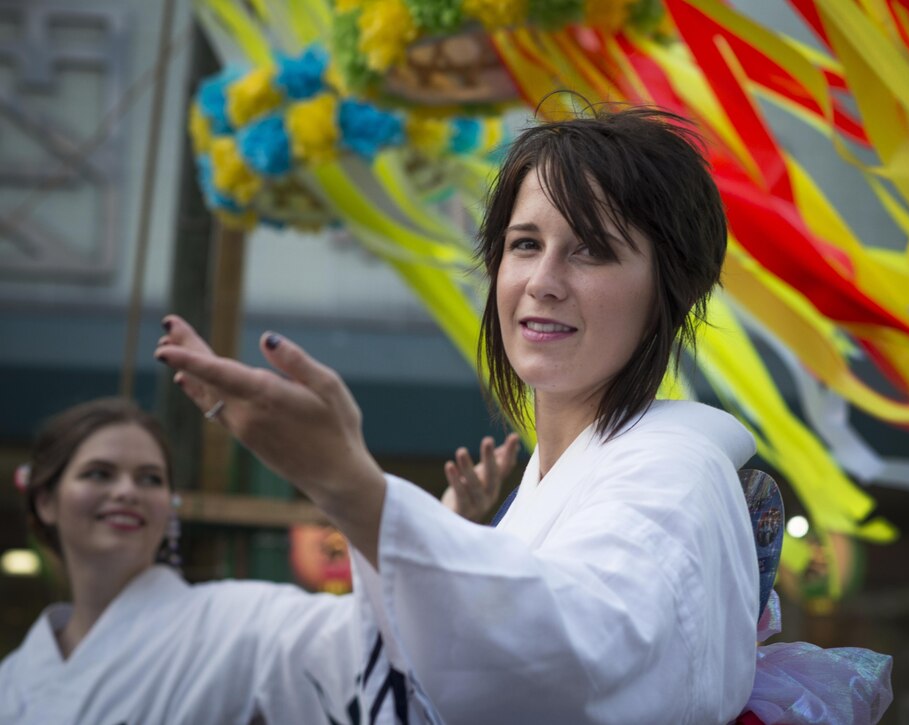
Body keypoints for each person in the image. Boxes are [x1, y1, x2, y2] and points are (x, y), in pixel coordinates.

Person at [154, 105, 789, 724]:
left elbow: (574, 662)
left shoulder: (675, 469)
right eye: (525, 244)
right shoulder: (553, 479)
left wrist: (351, 488)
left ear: (670, 288)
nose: (543, 279)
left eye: (591, 250)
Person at [0, 397, 516, 724]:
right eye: (98, 474)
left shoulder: (230, 623)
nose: (127, 492)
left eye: (150, 479)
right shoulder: (13, 680)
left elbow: (357, 637)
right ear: (45, 499)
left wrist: (430, 541)